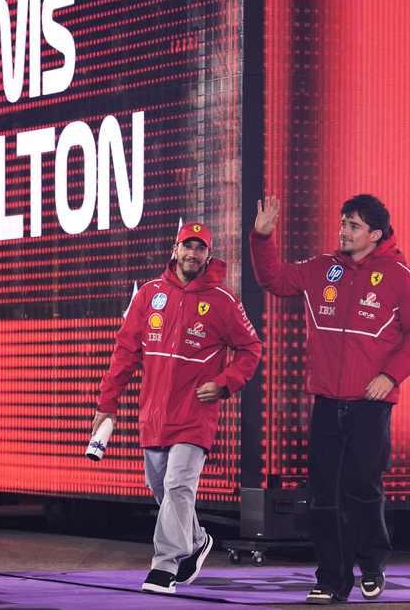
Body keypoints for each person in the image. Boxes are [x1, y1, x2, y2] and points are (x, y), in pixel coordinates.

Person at [250, 194, 410, 604]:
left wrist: (390, 376)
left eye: (353, 225)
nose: (344, 231)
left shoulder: (400, 274)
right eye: (343, 223)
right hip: (326, 403)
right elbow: (274, 280)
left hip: (371, 404)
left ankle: (372, 560)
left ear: (375, 233)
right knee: (323, 494)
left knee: (361, 488)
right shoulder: (322, 268)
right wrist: (262, 238)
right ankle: (332, 580)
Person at [94, 222, 262, 595]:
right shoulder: (150, 294)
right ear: (175, 248)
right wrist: (108, 403)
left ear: (208, 255)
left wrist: (223, 383)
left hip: (196, 413)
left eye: (200, 248)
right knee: (162, 488)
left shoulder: (223, 299)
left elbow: (251, 349)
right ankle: (198, 540)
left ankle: (164, 567)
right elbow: (126, 353)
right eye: (188, 246)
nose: (193, 254)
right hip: (154, 413)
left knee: (178, 485)